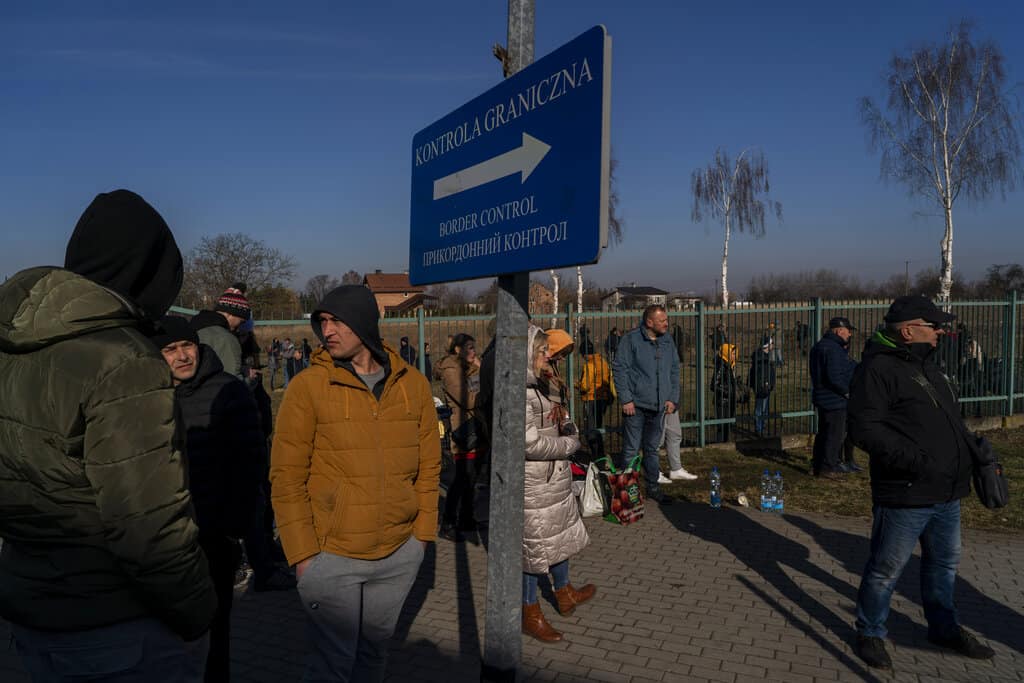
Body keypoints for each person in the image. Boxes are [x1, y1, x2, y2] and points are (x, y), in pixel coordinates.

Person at [0, 190, 216, 681]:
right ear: (148, 270)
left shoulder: (15, 347)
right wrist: (198, 610)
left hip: (32, 610)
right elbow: (147, 523)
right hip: (116, 622)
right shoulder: (124, 360)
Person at [270, 285, 441, 681]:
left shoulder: (412, 384)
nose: (327, 331)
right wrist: (303, 557)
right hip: (332, 557)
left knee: (373, 656)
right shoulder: (308, 387)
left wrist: (422, 536)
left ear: (364, 323)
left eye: (337, 321)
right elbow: (286, 476)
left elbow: (430, 466)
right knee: (332, 666)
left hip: (399, 553)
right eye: (323, 322)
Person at [848, 295, 995, 670]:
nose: (940, 331)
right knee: (886, 568)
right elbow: (866, 429)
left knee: (943, 565)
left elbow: (946, 420)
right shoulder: (877, 369)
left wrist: (970, 449)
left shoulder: (929, 367)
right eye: (933, 326)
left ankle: (943, 627)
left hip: (947, 492)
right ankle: (870, 631)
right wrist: (918, 463)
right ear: (909, 330)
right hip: (906, 491)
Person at [153, 316, 267, 683]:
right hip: (164, 541)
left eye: (187, 346)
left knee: (214, 640)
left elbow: (250, 464)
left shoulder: (228, 391)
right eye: (170, 350)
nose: (182, 356)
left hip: (213, 537)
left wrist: (233, 528)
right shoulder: (147, 397)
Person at [521, 326, 596, 643]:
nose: (548, 357)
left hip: (554, 476)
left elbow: (556, 417)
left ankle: (564, 591)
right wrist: (569, 446)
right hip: (534, 480)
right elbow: (528, 444)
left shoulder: (541, 382)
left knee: (560, 533)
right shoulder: (520, 390)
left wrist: (567, 425)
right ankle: (529, 612)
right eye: (542, 352)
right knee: (533, 549)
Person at [611, 305, 680, 505]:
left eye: (666, 320)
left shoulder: (667, 341)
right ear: (649, 322)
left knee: (652, 449)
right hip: (636, 406)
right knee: (631, 450)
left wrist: (672, 398)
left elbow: (674, 370)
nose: (666, 324)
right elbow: (620, 369)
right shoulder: (631, 340)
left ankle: (653, 487)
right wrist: (626, 399)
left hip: (659, 406)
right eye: (662, 321)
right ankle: (627, 494)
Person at [434, 333, 482, 542]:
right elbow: (467, 400)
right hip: (463, 430)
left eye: (474, 347)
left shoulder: (469, 368)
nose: (473, 352)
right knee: (461, 478)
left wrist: (479, 368)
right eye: (469, 348)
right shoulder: (451, 369)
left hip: (477, 428)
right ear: (457, 350)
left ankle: (466, 517)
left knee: (472, 478)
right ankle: (448, 523)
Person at [810, 316, 860, 477]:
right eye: (848, 331)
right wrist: (847, 392)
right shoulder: (833, 349)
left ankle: (817, 464)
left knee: (824, 432)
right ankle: (828, 467)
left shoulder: (820, 346)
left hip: (823, 396)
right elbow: (834, 376)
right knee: (834, 434)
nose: (849, 334)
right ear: (839, 331)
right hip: (835, 399)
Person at [191, 284, 250, 380]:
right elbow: (232, 382)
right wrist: (250, 379)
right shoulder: (226, 338)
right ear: (230, 314)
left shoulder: (194, 327)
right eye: (241, 321)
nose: (240, 327)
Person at [577, 340, 613, 430]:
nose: (582, 357)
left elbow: (585, 386)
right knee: (599, 424)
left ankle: (593, 443)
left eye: (582, 354)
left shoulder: (589, 365)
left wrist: (578, 385)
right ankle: (600, 442)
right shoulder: (603, 362)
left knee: (591, 427)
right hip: (603, 397)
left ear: (585, 354)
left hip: (591, 398)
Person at [710, 343, 738, 443]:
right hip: (722, 401)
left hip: (730, 400)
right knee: (721, 426)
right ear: (726, 353)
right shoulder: (721, 366)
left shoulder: (731, 366)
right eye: (733, 353)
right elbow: (714, 385)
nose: (735, 356)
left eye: (735, 353)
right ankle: (719, 444)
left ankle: (725, 443)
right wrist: (727, 391)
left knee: (728, 425)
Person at [748, 337, 776, 436]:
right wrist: (764, 384)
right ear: (767, 345)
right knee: (760, 408)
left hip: (767, 386)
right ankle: (758, 429)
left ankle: (762, 425)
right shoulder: (761, 357)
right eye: (772, 343)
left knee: (764, 408)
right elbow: (758, 374)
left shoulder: (766, 356)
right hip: (762, 387)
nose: (773, 345)